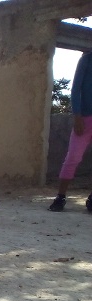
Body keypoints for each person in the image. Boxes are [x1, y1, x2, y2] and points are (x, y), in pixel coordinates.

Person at [49, 51, 92, 212]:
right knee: (73, 157)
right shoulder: (86, 60)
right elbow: (76, 89)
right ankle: (60, 197)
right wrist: (77, 116)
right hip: (85, 118)